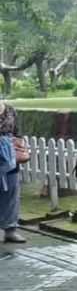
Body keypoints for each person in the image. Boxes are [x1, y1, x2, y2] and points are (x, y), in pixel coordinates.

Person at [0, 101, 25, 243]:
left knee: (12, 190)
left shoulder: (10, 110)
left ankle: (10, 230)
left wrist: (18, 146)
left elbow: (17, 132)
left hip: (9, 156)